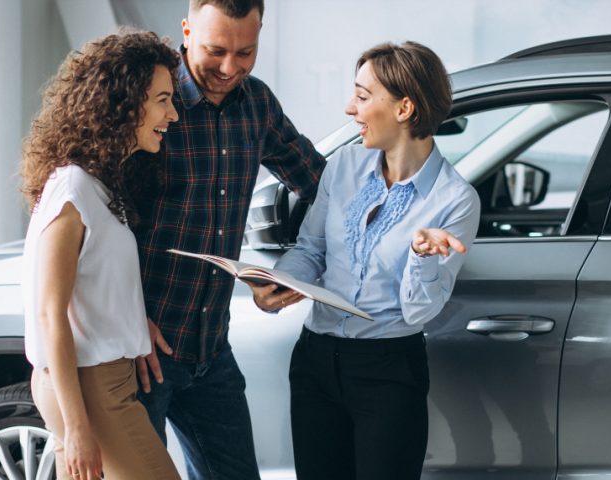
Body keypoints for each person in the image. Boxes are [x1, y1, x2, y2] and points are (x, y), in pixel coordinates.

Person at [249, 41, 481, 480]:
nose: (349, 108)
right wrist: (281, 284)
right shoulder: (343, 167)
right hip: (315, 362)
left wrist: (421, 257)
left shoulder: (455, 201)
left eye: (361, 95)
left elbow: (419, 311)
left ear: (404, 108)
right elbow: (311, 249)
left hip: (387, 372)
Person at [131, 1, 326, 479]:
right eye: (216, 50)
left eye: (246, 52)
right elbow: (96, 224)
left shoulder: (257, 104)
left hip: (211, 349)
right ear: (185, 30)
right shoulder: (148, 101)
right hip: (139, 352)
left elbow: (321, 183)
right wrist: (127, 318)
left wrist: (298, 270)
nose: (229, 68)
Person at [21, 29, 182, 480]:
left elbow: (92, 286)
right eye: (162, 100)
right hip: (90, 390)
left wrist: (132, 320)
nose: (172, 114)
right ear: (125, 102)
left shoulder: (97, 186)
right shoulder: (72, 188)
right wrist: (76, 428)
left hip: (100, 383)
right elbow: (52, 313)